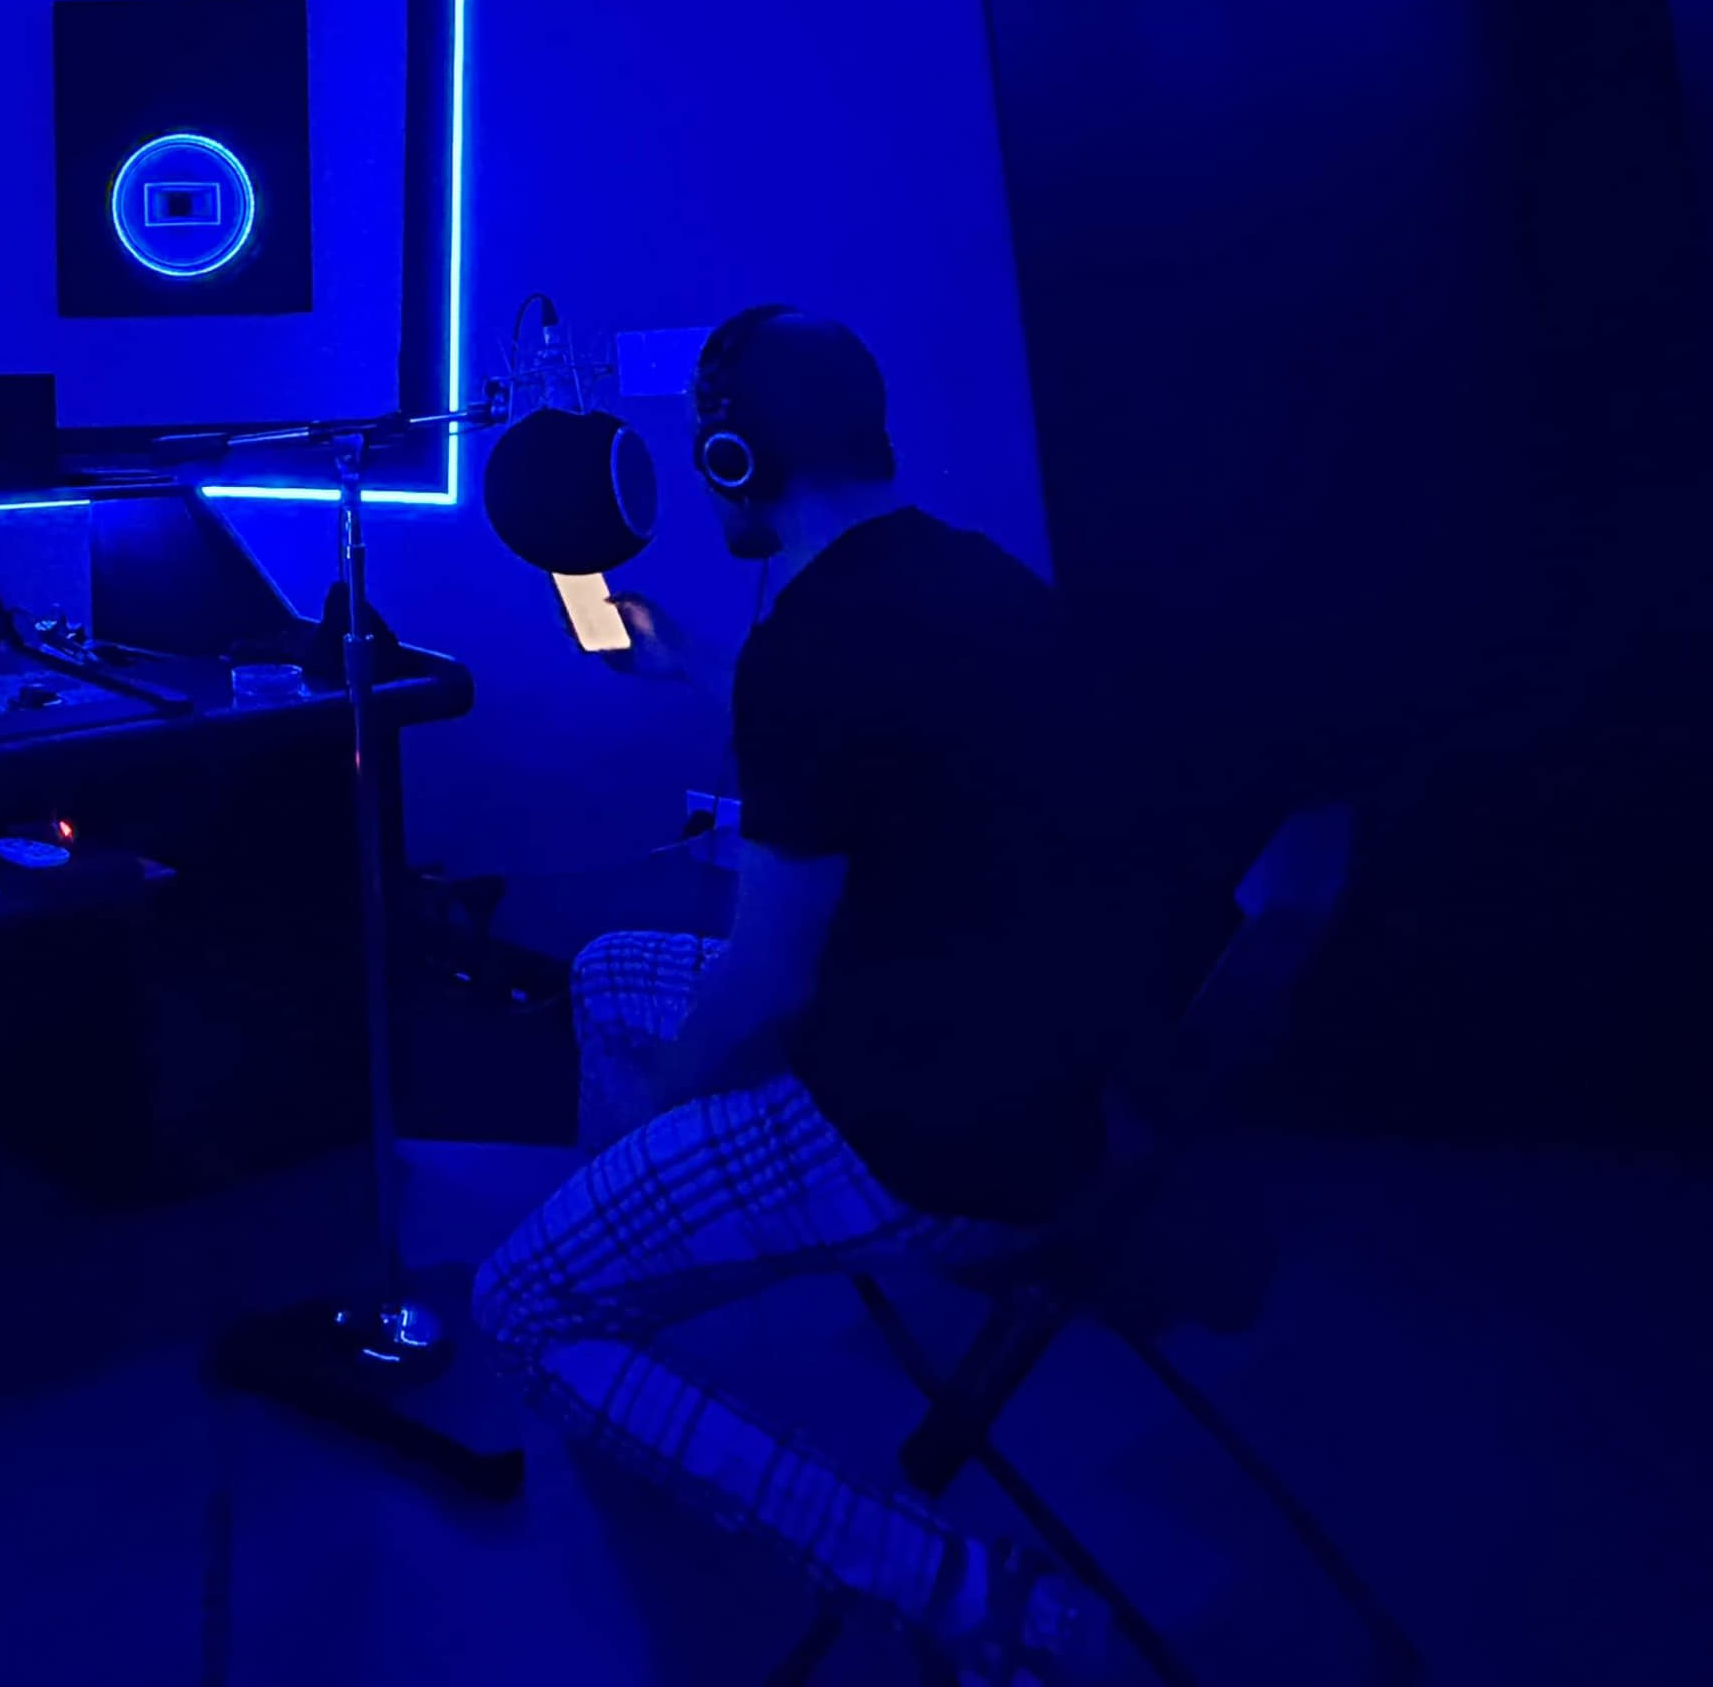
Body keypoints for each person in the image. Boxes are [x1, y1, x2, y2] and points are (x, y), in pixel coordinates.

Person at [471, 306, 1196, 1686]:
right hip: (1036, 1059)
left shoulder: (816, 649)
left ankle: (959, 1591)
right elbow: (868, 716)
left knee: (518, 1307)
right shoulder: (966, 579)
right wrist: (696, 664)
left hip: (917, 1124)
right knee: (607, 970)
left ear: (734, 459)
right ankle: (617, 1275)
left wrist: (673, 1106)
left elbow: (767, 979)